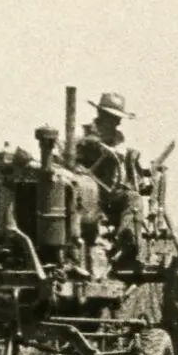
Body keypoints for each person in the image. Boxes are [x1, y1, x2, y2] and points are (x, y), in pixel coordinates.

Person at [74, 92, 145, 266]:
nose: (117, 123)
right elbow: (61, 158)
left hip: (109, 196)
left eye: (118, 119)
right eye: (112, 118)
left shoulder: (120, 139)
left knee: (133, 198)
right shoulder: (80, 134)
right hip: (82, 193)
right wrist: (83, 146)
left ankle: (126, 243)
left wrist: (133, 161)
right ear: (100, 115)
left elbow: (125, 168)